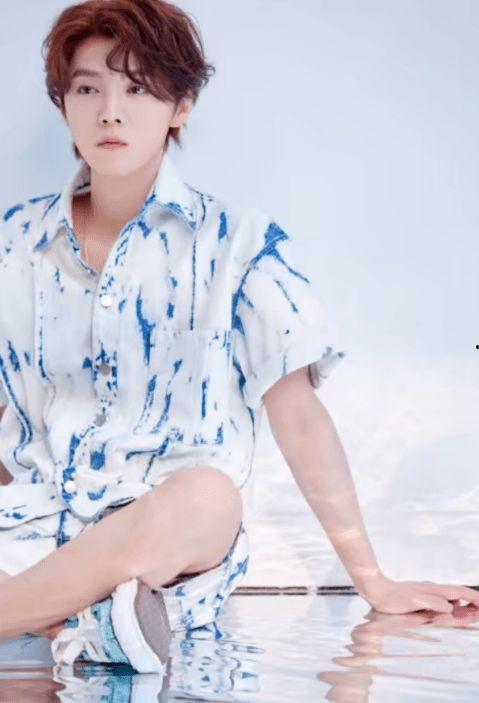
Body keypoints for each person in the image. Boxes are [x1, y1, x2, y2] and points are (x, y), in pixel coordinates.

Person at [0, 0, 477, 679]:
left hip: (169, 537)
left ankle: (50, 612)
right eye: (86, 88)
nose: (110, 112)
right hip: (29, 526)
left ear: (181, 105)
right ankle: (86, 622)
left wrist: (371, 579)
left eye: (137, 88)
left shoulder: (238, 242)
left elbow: (298, 415)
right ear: (64, 104)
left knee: (208, 495)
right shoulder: (15, 241)